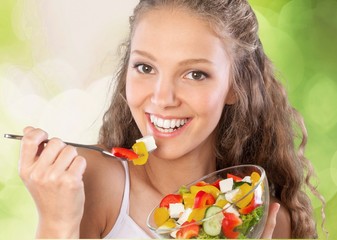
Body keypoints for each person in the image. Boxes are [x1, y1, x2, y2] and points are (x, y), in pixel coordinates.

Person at [18, 0, 324, 238]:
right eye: (146, 68)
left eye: (195, 74)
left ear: (235, 85)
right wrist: (56, 223)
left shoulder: (261, 218)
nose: (162, 98)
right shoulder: (93, 183)